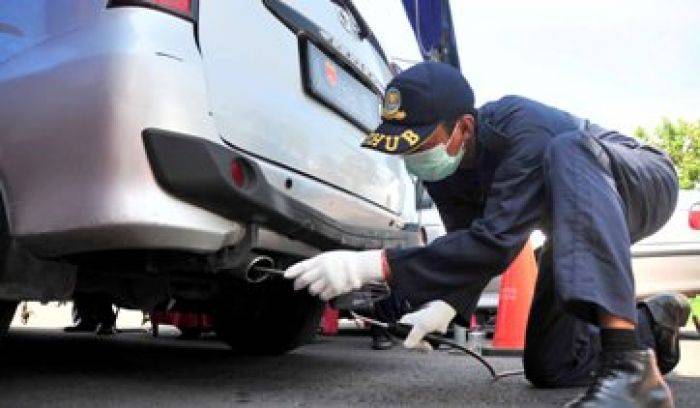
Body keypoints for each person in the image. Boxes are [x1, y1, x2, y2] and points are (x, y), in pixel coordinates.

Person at [285, 62, 690, 407]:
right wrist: (445, 305)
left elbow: (497, 242)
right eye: (403, 150)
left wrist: (369, 265)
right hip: (573, 221)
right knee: (553, 366)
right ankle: (652, 324)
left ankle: (630, 372)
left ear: (464, 126)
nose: (413, 160)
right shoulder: (446, 171)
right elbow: (472, 243)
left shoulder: (524, 127)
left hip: (639, 179)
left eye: (421, 144)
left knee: (569, 148)